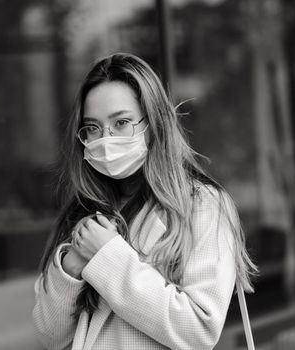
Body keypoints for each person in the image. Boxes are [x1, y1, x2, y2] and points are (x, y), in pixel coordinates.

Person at [32, 53, 257, 350]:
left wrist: (108, 257)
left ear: (153, 123)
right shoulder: (84, 211)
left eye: (121, 122)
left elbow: (200, 329)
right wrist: (71, 270)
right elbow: (49, 337)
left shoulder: (202, 205)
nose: (106, 139)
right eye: (93, 128)